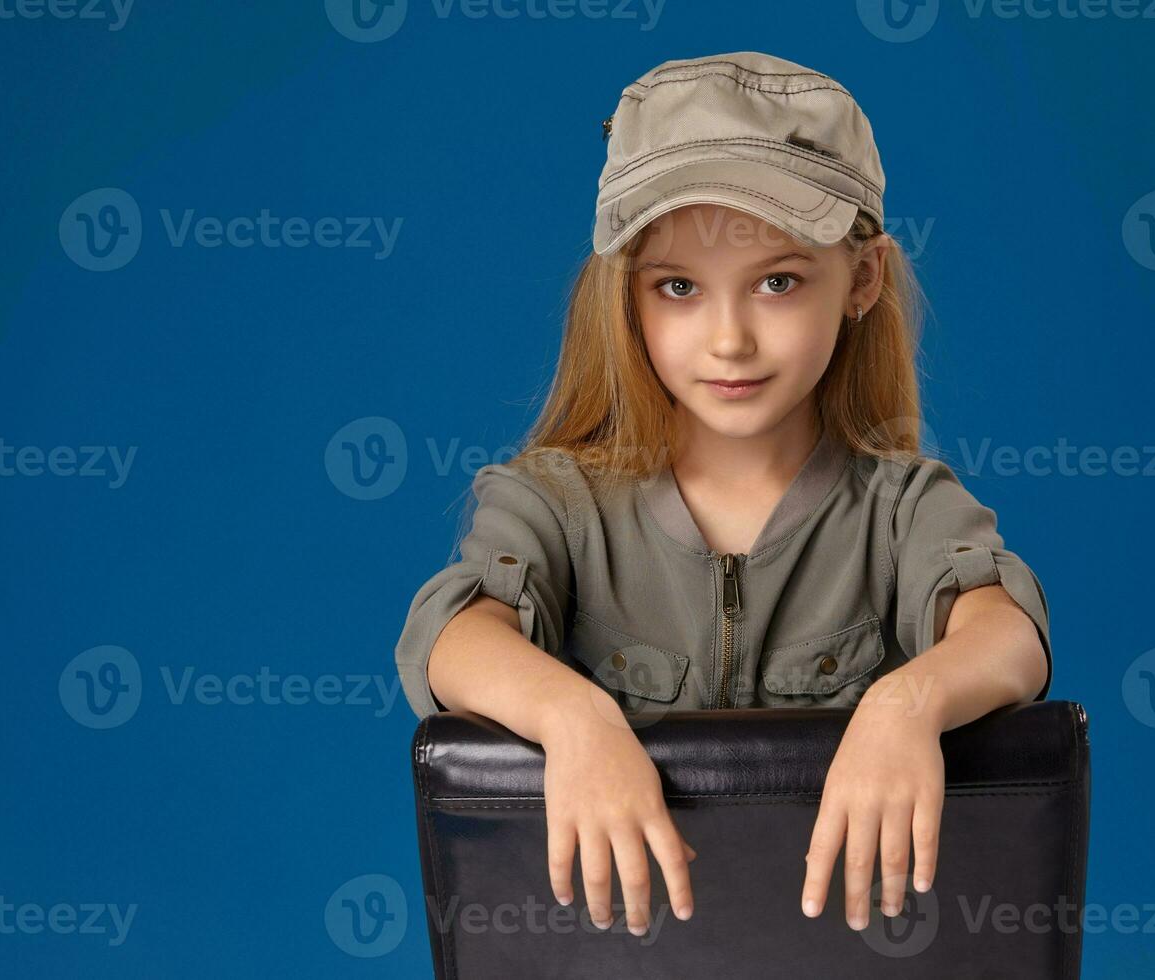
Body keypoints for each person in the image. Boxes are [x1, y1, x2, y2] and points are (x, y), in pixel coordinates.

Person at [393, 51, 1053, 940]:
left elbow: (1006, 631)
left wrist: (906, 705)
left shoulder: (903, 508)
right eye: (678, 288)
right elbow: (454, 638)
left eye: (777, 282)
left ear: (862, 281)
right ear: (625, 295)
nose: (730, 339)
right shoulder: (553, 503)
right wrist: (575, 716)